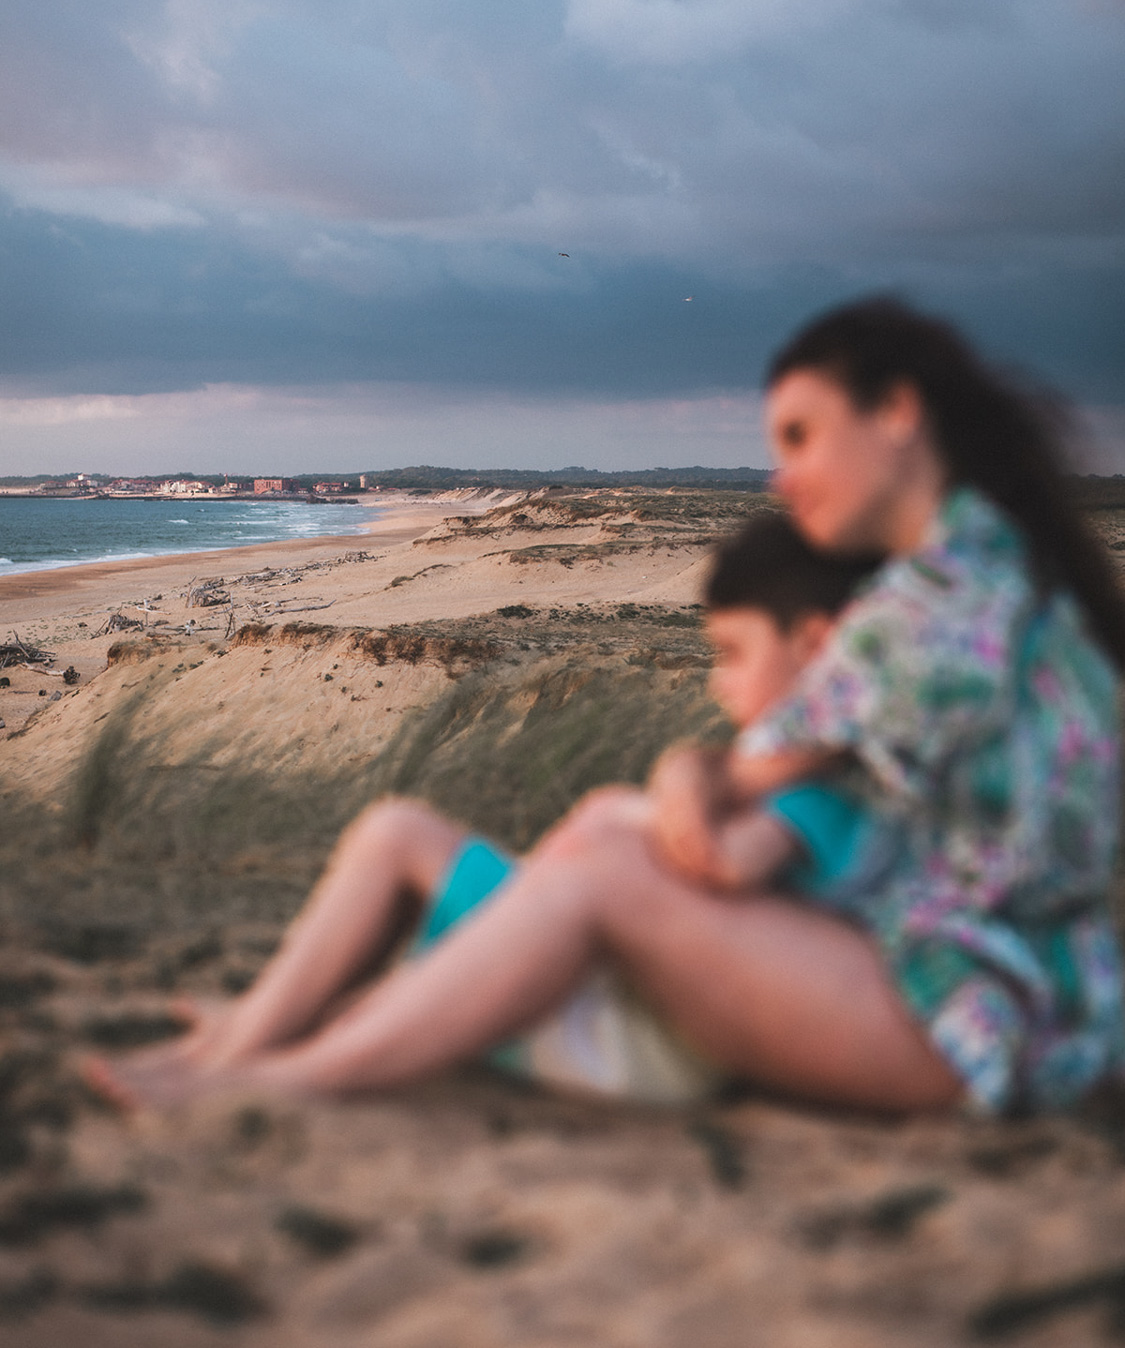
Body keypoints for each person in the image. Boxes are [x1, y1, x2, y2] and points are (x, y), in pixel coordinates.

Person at [89, 296, 1125, 1117]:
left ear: (896, 412)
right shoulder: (998, 571)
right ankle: (285, 1042)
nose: (782, 475)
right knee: (599, 842)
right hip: (1024, 996)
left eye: (802, 435)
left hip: (976, 1018)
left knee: (603, 861)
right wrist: (692, 786)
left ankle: (281, 1078)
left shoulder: (937, 610)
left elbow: (725, 793)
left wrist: (682, 774)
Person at [86, 513, 885, 1108]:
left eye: (735, 654)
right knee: (394, 829)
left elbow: (721, 865)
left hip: (623, 1030)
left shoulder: (817, 798)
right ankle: (259, 1024)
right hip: (604, 978)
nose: (719, 681)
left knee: (416, 867)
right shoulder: (785, 781)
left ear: (814, 646)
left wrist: (670, 793)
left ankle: (253, 1053)